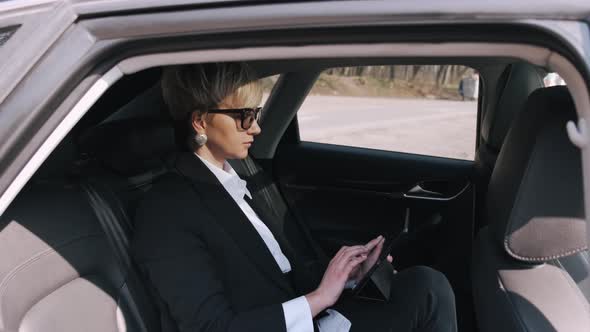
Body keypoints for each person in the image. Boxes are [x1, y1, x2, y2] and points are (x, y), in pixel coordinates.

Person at [131, 62, 458, 332]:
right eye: (245, 116)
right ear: (201, 120)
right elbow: (211, 327)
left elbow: (281, 273)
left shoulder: (238, 176)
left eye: (257, 114)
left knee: (427, 286)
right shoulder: (166, 211)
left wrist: (348, 278)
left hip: (314, 322)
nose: (256, 129)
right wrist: (320, 297)